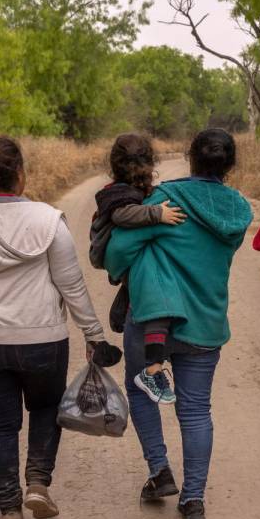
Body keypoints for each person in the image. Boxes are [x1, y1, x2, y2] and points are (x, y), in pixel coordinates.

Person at [0, 136, 116, 519]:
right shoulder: (48, 221)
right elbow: (72, 286)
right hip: (41, 340)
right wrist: (93, 334)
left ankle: (8, 511)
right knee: (45, 408)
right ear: (19, 175)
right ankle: (38, 482)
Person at [104, 128, 252, 519]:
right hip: (206, 320)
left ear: (190, 157)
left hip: (152, 318)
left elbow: (117, 252)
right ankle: (194, 499)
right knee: (196, 408)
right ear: (230, 163)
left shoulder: (166, 198)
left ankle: (159, 471)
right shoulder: (238, 210)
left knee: (143, 393)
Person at [89, 133, 187, 406]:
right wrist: (158, 214)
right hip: (106, 246)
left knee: (139, 279)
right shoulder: (118, 193)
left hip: (117, 254)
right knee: (147, 282)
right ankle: (150, 365)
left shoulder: (132, 189)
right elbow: (122, 215)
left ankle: (122, 307)